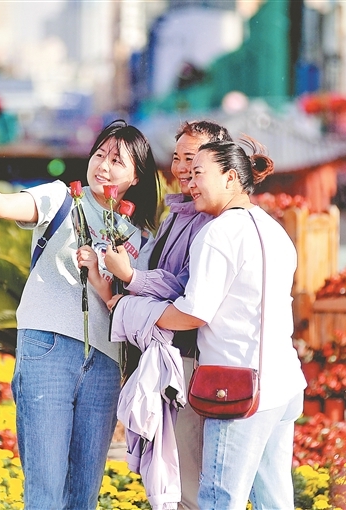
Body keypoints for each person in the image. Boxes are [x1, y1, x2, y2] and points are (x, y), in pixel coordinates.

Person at [0, 119, 159, 510]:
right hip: (47, 349)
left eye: (117, 160)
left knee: (84, 492)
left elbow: (134, 307)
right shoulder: (61, 197)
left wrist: (106, 279)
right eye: (99, 154)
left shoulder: (140, 239)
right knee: (45, 488)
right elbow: (6, 205)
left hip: (104, 363)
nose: (103, 165)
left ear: (136, 177)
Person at [153, 138, 307, 509]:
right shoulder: (273, 229)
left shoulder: (218, 232)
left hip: (239, 389)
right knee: (274, 501)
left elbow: (194, 312)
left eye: (199, 173)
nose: (191, 183)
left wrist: (136, 311)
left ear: (231, 178)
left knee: (220, 499)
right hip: (284, 383)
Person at [101, 120, 232, 510]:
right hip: (166, 355)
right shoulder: (175, 214)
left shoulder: (212, 221)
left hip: (189, 361)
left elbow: (187, 291)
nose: (182, 168)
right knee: (168, 478)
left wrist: (132, 279)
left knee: (184, 479)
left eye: (192, 159)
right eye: (177, 158)